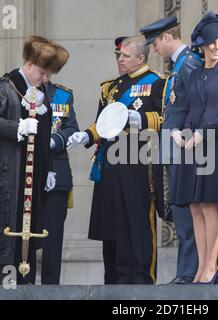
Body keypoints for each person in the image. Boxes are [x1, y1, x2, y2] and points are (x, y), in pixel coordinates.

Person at [0, 35, 69, 285]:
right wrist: (18, 127)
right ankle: (9, 285)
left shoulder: (40, 91)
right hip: (8, 179)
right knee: (9, 241)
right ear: (29, 66)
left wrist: (46, 170)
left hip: (32, 179)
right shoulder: (2, 88)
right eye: (44, 73)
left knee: (30, 242)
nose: (46, 79)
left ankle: (25, 286)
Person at [68, 37, 165, 284]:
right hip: (110, 162)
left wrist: (142, 119)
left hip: (138, 161)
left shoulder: (157, 84)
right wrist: (87, 135)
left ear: (141, 58)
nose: (120, 59)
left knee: (137, 221)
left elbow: (167, 120)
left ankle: (140, 278)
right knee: (112, 222)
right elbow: (102, 122)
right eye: (118, 56)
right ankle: (113, 279)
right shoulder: (110, 87)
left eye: (125, 56)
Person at [173, 11, 218, 284]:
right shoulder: (193, 73)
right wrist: (175, 131)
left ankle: (211, 267)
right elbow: (180, 107)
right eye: (212, 43)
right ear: (202, 45)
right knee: (195, 208)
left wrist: (203, 132)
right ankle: (201, 267)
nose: (217, 47)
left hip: (217, 145)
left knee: (211, 207)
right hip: (191, 145)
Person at [140, 16, 202, 285]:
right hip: (175, 150)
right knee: (179, 212)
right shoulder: (179, 65)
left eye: (154, 42)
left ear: (166, 37)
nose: (153, 49)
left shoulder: (189, 64)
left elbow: (197, 108)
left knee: (186, 213)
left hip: (185, 150)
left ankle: (189, 273)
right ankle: (185, 271)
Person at [40, 80, 79, 284]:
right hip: (27, 170)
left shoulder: (63, 95)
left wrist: (56, 140)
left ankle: (50, 288)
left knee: (53, 237)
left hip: (57, 169)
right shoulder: (20, 91)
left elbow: (72, 128)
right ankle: (21, 283)